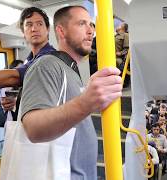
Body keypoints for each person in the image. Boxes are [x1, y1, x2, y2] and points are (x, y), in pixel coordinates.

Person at [10, 5, 122, 179]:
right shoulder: (47, 66)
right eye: (82, 24)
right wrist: (86, 102)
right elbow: (33, 128)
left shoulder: (70, 69)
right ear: (61, 32)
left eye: (91, 25)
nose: (90, 31)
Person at [0, 60, 23, 127]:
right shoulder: (6, 91)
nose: (20, 74)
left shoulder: (26, 88)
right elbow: (0, 120)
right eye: (18, 71)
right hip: (13, 129)